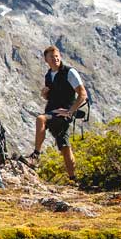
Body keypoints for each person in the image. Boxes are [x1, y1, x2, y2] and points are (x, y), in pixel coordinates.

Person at [31, 45, 87, 180]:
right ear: (46, 60)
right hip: (53, 111)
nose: (55, 59)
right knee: (65, 147)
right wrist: (44, 95)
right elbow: (52, 97)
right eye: (52, 57)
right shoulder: (48, 75)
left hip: (63, 113)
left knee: (40, 119)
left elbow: (83, 94)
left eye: (57, 56)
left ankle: (36, 154)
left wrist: (70, 111)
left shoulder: (70, 72)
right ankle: (73, 178)